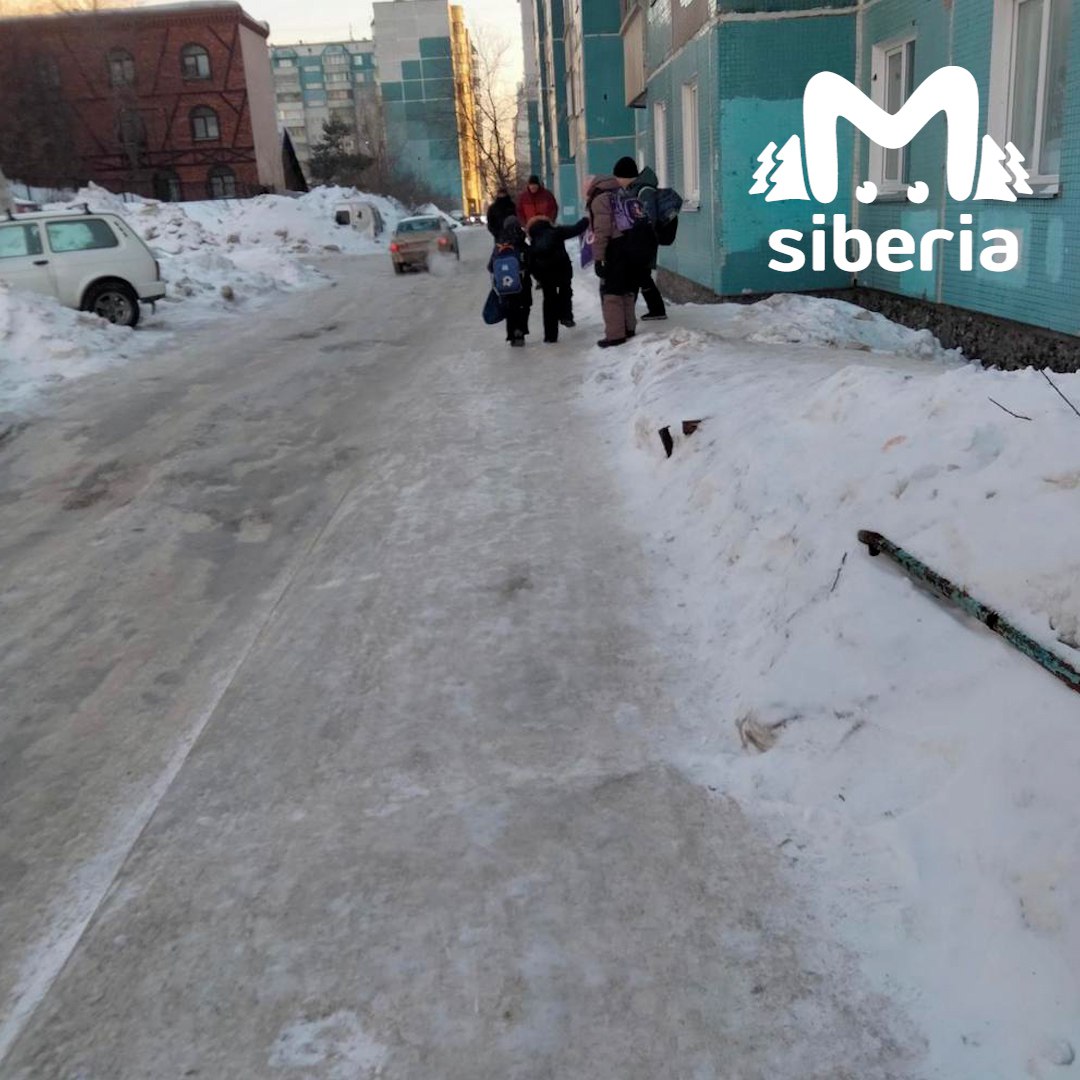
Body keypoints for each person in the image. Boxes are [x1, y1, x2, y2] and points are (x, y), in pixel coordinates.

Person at [587, 157, 652, 348]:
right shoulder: (626, 194)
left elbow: (602, 231)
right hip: (632, 246)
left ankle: (615, 335)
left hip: (615, 249)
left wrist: (599, 258)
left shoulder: (601, 198)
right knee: (627, 290)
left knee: (612, 293)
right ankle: (629, 328)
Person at [525, 214, 588, 343]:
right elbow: (576, 229)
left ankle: (550, 335)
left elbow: (530, 262)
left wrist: (537, 277)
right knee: (565, 291)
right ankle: (566, 316)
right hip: (562, 269)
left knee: (549, 301)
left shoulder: (534, 240)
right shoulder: (557, 231)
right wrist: (586, 219)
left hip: (545, 274)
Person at [626, 165, 667, 321]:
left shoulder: (644, 191)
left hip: (643, 241)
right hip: (641, 240)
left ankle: (632, 312)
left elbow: (648, 217)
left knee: (638, 275)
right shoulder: (638, 189)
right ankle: (656, 309)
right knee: (642, 276)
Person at [487, 215, 532, 347]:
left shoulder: (499, 244)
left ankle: (512, 334)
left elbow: (490, 266)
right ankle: (521, 331)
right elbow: (530, 261)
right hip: (522, 281)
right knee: (524, 306)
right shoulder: (521, 242)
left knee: (510, 308)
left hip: (504, 284)